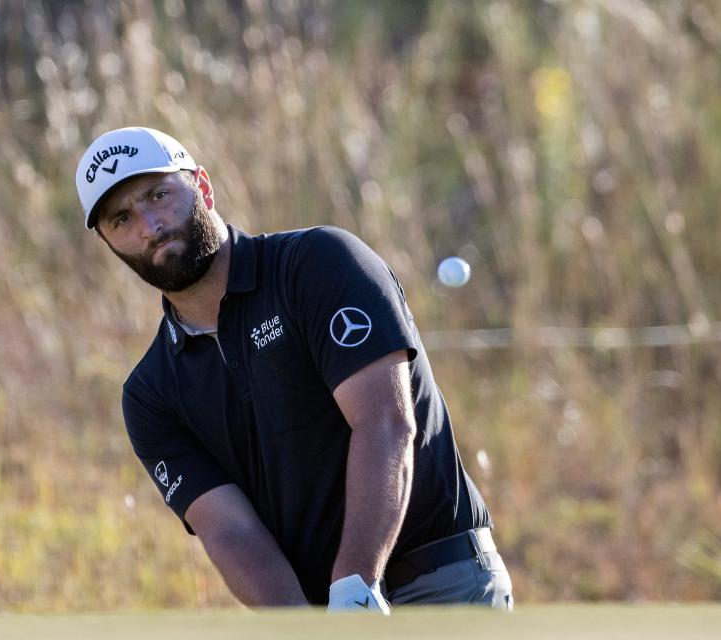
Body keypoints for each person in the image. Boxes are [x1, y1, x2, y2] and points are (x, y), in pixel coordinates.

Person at [75, 127, 513, 612]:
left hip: (440, 582)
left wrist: (355, 582)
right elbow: (229, 529)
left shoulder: (317, 264)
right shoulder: (151, 393)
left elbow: (384, 423)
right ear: (108, 242)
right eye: (122, 218)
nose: (150, 225)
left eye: (159, 195)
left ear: (202, 186)